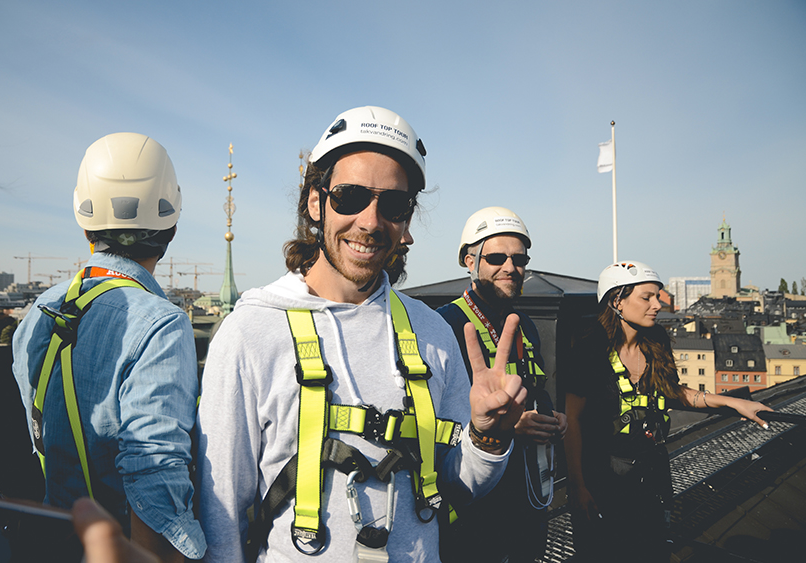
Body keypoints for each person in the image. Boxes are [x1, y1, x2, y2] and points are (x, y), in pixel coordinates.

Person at [196, 106, 527, 562]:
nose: (371, 222)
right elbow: (222, 513)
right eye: (350, 197)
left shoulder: (432, 333)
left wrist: (489, 437)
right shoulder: (251, 332)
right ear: (316, 202)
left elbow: (460, 484)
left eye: (393, 204)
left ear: (407, 220)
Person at [12, 132, 206, 562]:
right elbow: (154, 482)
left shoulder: (38, 313)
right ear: (171, 226)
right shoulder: (161, 324)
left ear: (85, 224)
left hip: (52, 542)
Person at [563, 261, 772, 562]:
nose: (657, 304)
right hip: (604, 479)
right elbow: (573, 420)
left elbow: (672, 393)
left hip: (651, 475)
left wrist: (733, 402)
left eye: (657, 296)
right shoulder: (589, 348)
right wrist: (578, 485)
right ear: (616, 301)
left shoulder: (655, 343)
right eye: (646, 297)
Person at [436, 206, 567, 563]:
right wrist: (506, 427)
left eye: (519, 259)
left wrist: (551, 417)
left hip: (526, 497)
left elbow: (535, 388)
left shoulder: (523, 324)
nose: (510, 267)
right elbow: (432, 422)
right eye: (496, 257)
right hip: (475, 507)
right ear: (469, 261)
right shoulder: (442, 326)